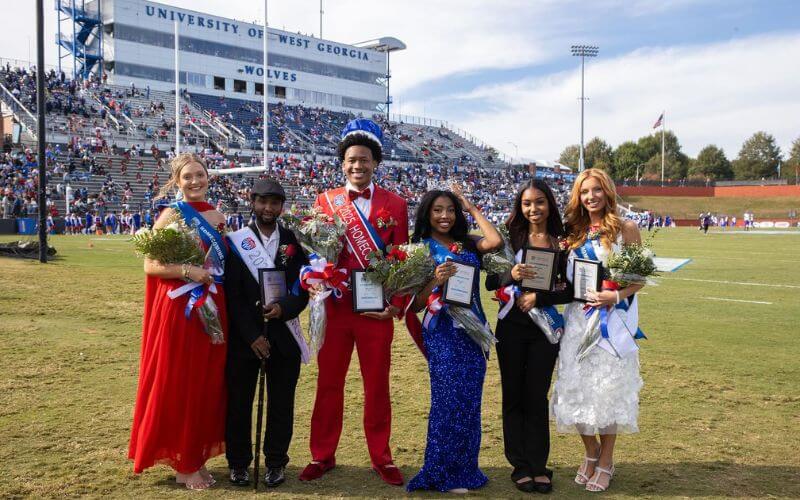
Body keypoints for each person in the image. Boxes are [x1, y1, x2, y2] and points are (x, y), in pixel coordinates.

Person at [299, 119, 410, 486]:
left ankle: (382, 456)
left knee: (376, 385)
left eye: (363, 159)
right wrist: (315, 282)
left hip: (375, 313)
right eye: (350, 160)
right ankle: (322, 454)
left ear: (375, 162)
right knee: (329, 384)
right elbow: (314, 254)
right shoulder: (324, 201)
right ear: (342, 163)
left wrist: (395, 304)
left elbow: (403, 257)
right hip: (335, 309)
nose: (357, 166)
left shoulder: (395, 204)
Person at [128, 153, 228, 490]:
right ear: (177, 181)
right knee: (182, 382)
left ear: (208, 177)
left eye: (200, 175)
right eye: (188, 177)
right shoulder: (170, 215)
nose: (195, 181)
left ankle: (195, 457)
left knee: (206, 383)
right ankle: (184, 465)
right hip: (180, 310)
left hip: (213, 308)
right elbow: (150, 267)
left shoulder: (218, 215)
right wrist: (189, 271)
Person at [551, 168, 646, 493]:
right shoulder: (571, 233)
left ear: (607, 192)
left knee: (606, 391)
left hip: (611, 322)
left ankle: (605, 461)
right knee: (575, 388)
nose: (591, 197)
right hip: (577, 320)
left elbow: (639, 279)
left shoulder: (626, 229)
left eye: (596, 190)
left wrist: (616, 294)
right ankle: (590, 451)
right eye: (584, 192)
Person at [406, 186, 502, 494]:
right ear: (427, 214)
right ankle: (439, 471)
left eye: (450, 209)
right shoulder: (419, 248)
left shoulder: (468, 243)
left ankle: (465, 471)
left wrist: (471, 207)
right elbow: (416, 304)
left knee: (470, 403)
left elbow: (496, 241)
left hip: (473, 331)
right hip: (443, 333)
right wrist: (436, 278)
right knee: (446, 402)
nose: (444, 216)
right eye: (437, 210)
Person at [485, 179, 571, 494]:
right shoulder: (510, 238)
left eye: (539, 202)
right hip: (511, 326)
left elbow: (573, 290)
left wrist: (540, 298)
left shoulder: (563, 242)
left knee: (536, 396)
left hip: (545, 328)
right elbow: (490, 281)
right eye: (526, 203)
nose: (533, 209)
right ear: (519, 207)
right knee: (513, 396)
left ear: (549, 204)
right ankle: (519, 465)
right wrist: (512, 274)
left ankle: (539, 465)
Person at [224, 179, 310, 488]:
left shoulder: (295, 240)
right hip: (245, 339)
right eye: (263, 202)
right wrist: (251, 335)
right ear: (252, 201)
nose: (268, 209)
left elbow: (303, 288)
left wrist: (284, 308)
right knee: (239, 404)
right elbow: (231, 295)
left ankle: (276, 462)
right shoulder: (235, 241)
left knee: (281, 404)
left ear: (282, 206)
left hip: (284, 335)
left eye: (275, 203)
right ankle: (238, 463)